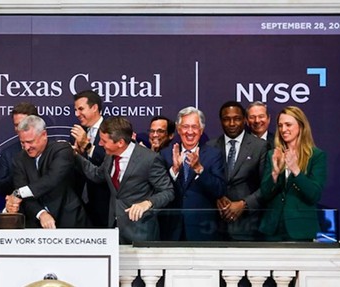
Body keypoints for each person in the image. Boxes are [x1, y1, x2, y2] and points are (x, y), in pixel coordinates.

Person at [75, 116, 174, 244]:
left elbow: (168, 191)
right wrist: (75, 157)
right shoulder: (110, 156)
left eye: (104, 141)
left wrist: (147, 203)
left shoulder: (149, 159)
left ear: (120, 143)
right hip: (115, 231)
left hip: (140, 233)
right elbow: (97, 175)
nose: (100, 144)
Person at [260, 106, 326, 241]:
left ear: (301, 126)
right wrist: (274, 174)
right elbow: (265, 194)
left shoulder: (316, 156)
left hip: (300, 229)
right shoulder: (273, 155)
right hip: (273, 228)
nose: (283, 130)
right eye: (280, 125)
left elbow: (314, 194)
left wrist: (296, 170)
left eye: (288, 125)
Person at [10, 115, 88, 229]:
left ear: (44, 135)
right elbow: (23, 191)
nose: (26, 147)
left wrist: (18, 193)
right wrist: (41, 214)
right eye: (22, 143)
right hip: (36, 222)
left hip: (70, 219)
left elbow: (51, 179)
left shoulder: (62, 150)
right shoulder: (19, 159)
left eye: (30, 142)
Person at [161, 107, 226, 241]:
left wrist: (199, 170)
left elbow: (220, 190)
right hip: (172, 228)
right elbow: (160, 189)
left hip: (203, 228)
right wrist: (174, 170)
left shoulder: (214, 155)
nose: (190, 131)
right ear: (179, 129)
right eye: (185, 127)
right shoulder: (166, 154)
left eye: (194, 127)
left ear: (201, 131)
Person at [206, 101, 268, 240]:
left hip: (249, 225)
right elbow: (207, 182)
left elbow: (267, 186)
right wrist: (217, 198)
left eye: (237, 118)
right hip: (214, 226)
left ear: (245, 120)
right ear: (221, 121)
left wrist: (244, 204)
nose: (232, 123)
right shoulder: (210, 146)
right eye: (227, 119)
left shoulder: (260, 147)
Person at [71, 90, 110, 227]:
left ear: (94, 108)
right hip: (80, 204)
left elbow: (110, 161)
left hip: (105, 201)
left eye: (81, 109)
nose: (77, 114)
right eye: (75, 110)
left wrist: (87, 147)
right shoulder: (77, 133)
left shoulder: (111, 129)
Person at [0, 102, 39, 196]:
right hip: (18, 205)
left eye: (23, 124)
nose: (19, 128)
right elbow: (1, 187)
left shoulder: (50, 149)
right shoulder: (8, 154)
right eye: (16, 125)